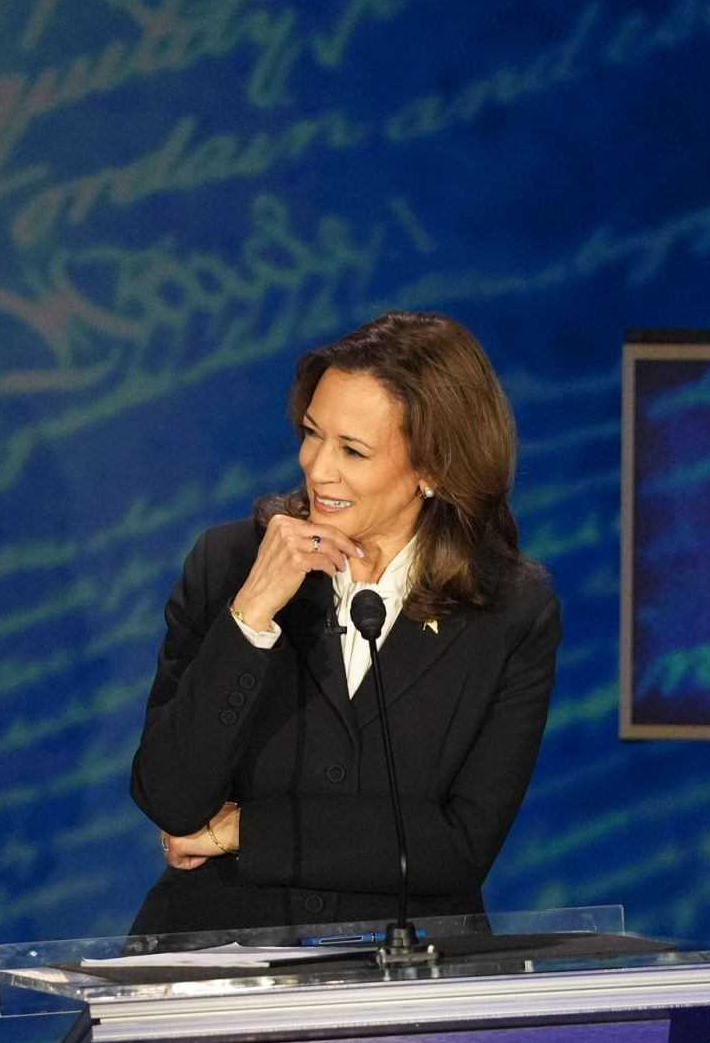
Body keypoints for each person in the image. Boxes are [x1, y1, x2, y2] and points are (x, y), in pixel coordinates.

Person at [127, 311, 561, 935]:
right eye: (311, 434)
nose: (317, 467)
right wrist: (251, 616)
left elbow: (458, 848)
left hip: (406, 979)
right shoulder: (227, 565)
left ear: (433, 468)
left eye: (353, 450)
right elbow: (169, 799)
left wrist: (245, 830)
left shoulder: (510, 615)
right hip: (219, 962)